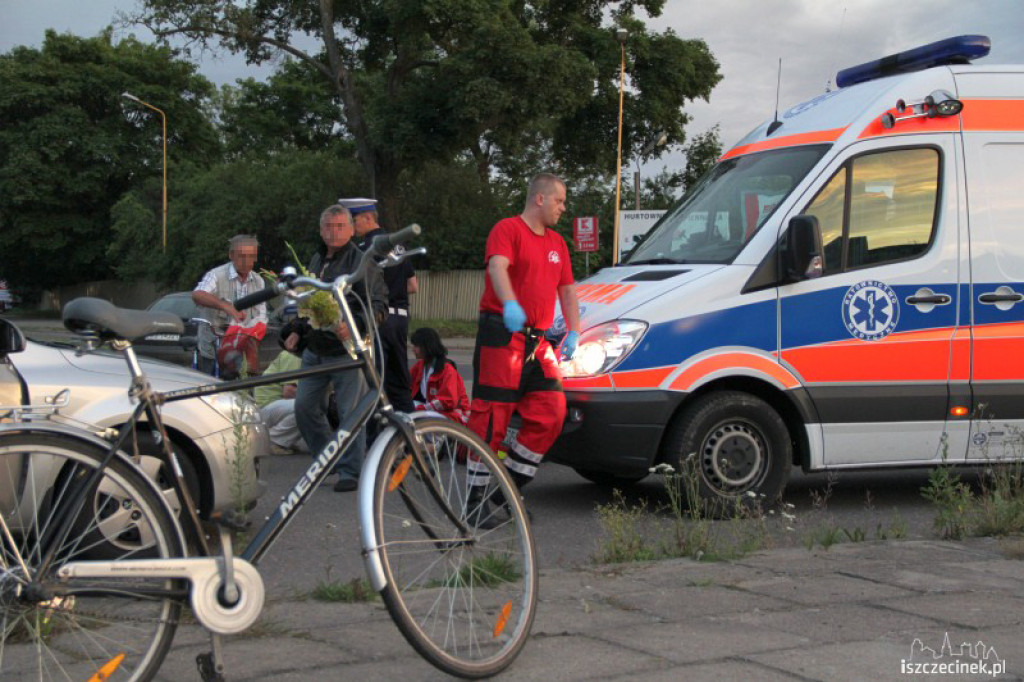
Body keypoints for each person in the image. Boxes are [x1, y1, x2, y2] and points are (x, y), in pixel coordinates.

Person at [466, 173, 581, 507]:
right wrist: (510, 303)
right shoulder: (508, 229)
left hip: (538, 341)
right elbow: (498, 268)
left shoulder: (558, 244)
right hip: (503, 334)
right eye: (559, 200)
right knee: (492, 416)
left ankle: (506, 492)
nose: (563, 207)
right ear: (540, 199)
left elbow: (568, 291)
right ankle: (474, 500)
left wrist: (574, 330)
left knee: (552, 412)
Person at [283, 205, 389, 492]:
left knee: (350, 413)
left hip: (348, 351)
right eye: (328, 226)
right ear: (321, 230)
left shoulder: (362, 262)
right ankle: (326, 460)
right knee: (304, 407)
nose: (334, 231)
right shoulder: (317, 259)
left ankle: (350, 471)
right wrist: (295, 329)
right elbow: (305, 301)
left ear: (352, 229)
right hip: (315, 350)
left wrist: (353, 325)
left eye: (340, 226)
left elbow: (379, 306)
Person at [341, 197, 418, 415]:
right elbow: (412, 285)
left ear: (368, 217)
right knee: (400, 382)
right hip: (400, 320)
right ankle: (412, 439)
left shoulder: (365, 248)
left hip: (378, 319)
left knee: (376, 383)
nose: (351, 226)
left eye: (353, 220)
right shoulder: (397, 244)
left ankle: (377, 440)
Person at [192, 234, 267, 377]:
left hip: (243, 349)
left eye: (251, 256)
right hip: (214, 347)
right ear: (231, 255)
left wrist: (256, 328)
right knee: (210, 390)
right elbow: (197, 295)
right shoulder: (216, 275)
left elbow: (261, 315)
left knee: (245, 389)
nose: (247, 261)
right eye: (242, 256)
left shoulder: (259, 281)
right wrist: (226, 306)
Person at [409, 327, 470, 424]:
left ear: (426, 347)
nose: (413, 349)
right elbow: (405, 384)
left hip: (453, 414)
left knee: (419, 418)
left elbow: (448, 401)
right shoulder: (419, 366)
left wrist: (421, 408)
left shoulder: (447, 370)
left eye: (416, 346)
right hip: (434, 411)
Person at [253, 349, 305, 455]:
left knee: (310, 405)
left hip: (268, 407)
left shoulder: (294, 355)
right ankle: (274, 441)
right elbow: (289, 391)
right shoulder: (294, 357)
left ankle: (284, 441)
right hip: (266, 409)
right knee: (306, 406)